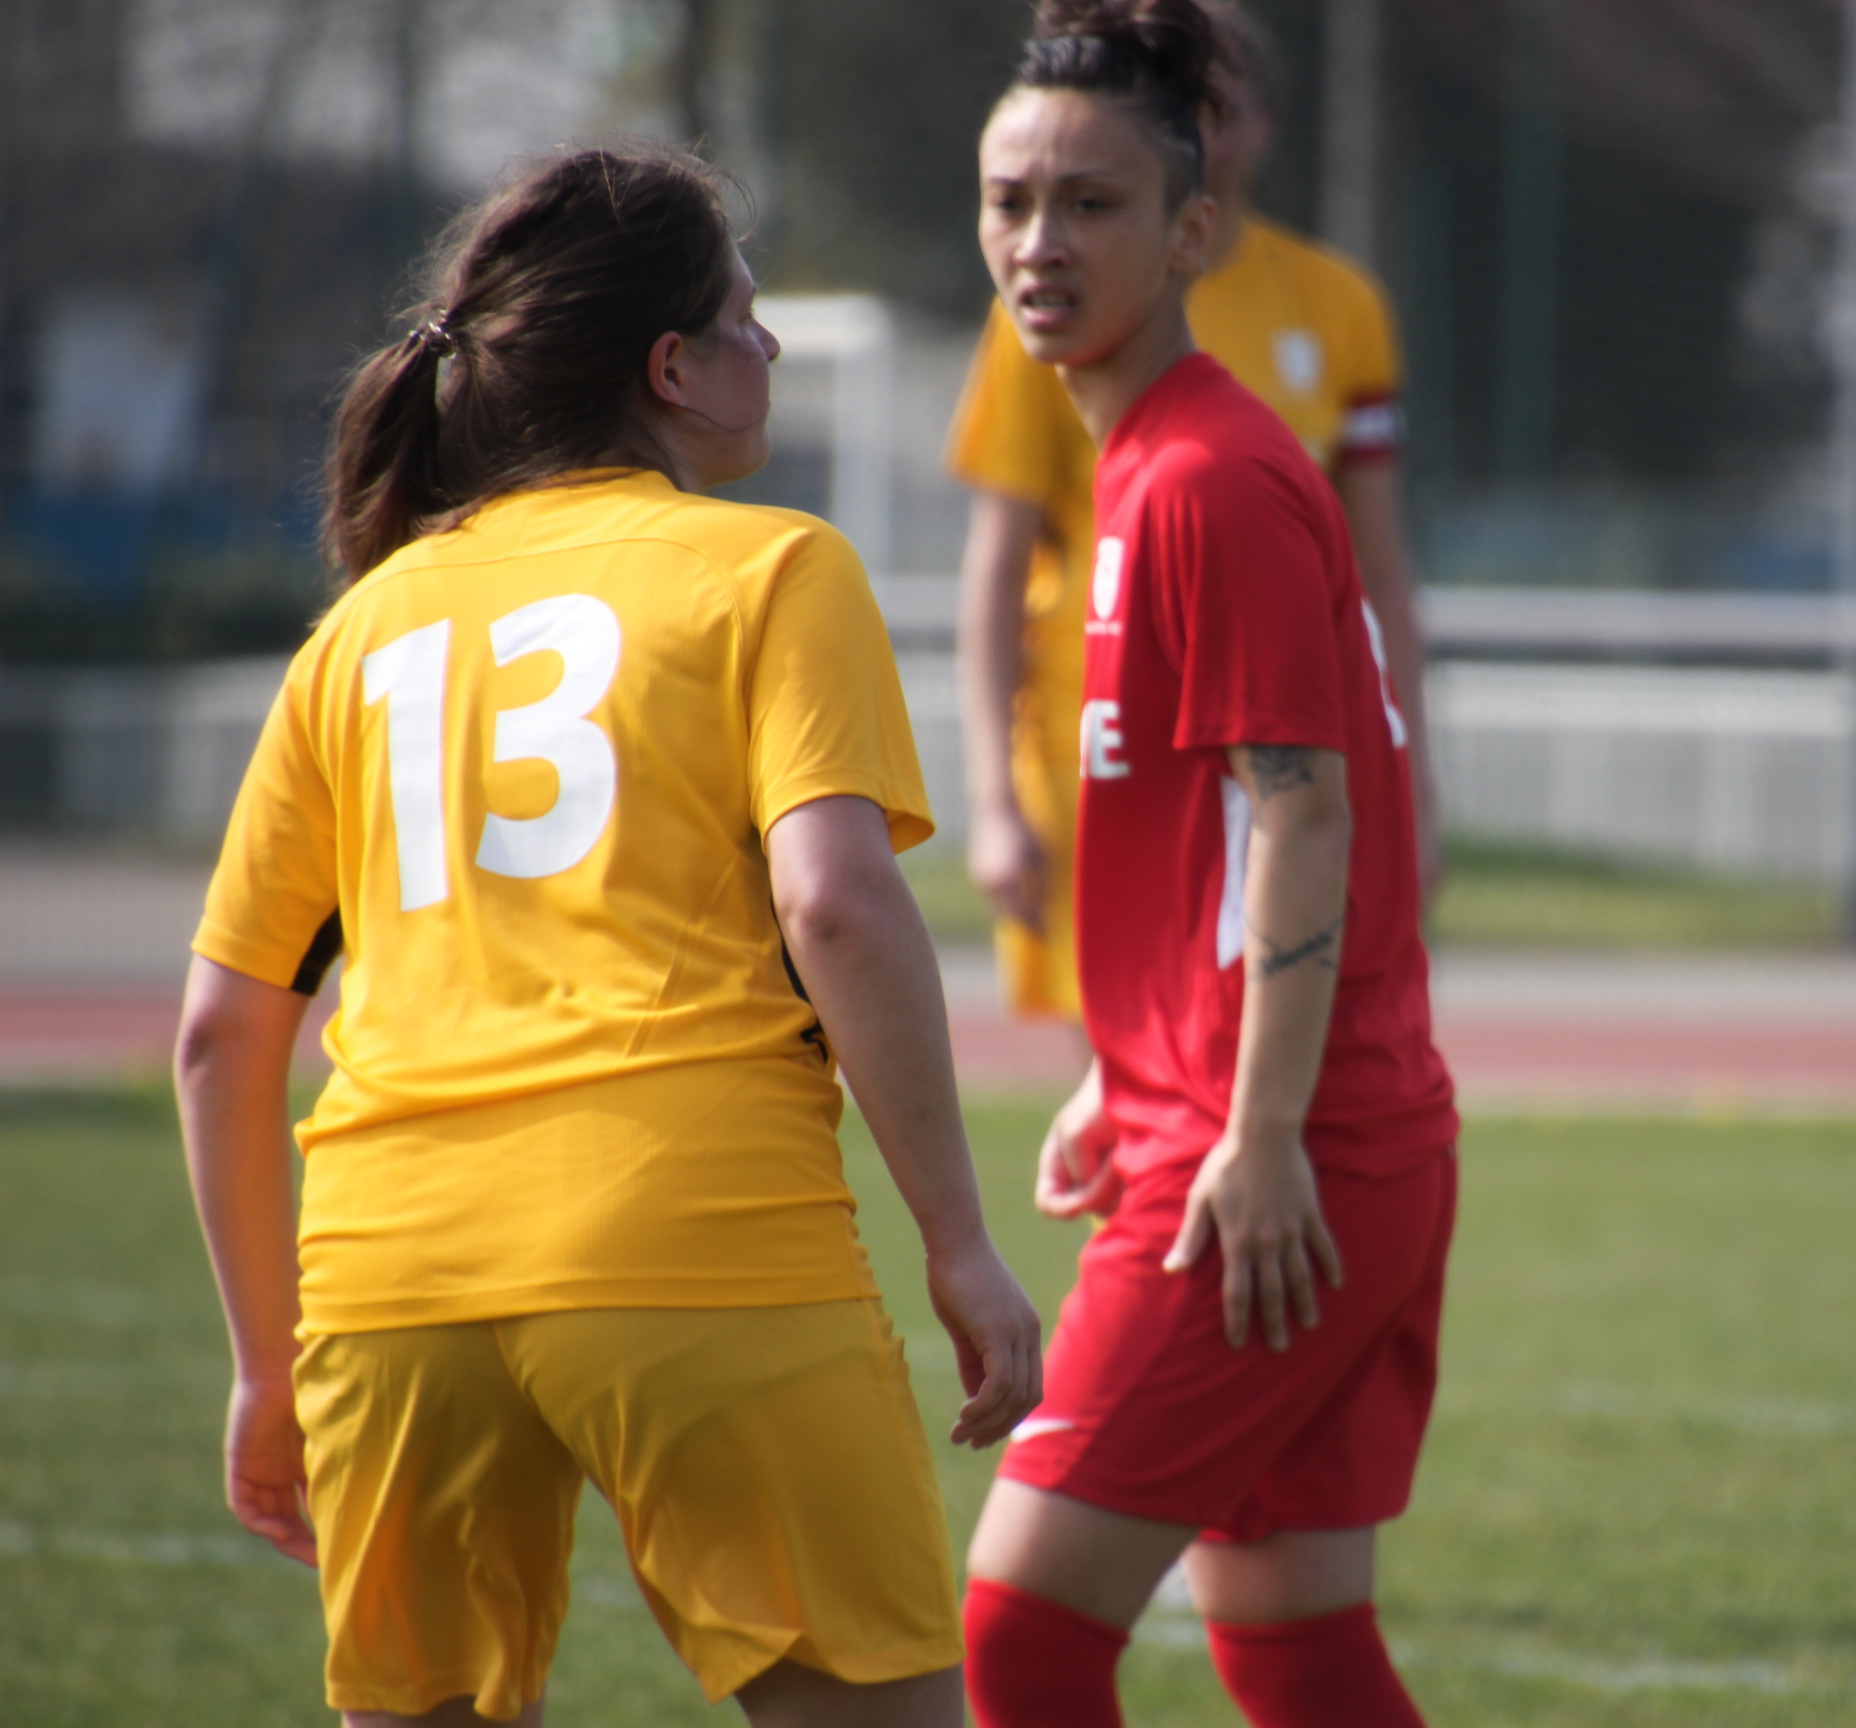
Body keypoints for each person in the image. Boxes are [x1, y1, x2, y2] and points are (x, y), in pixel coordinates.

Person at [173, 144, 1041, 1728]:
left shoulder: (357, 630)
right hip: (696, 1233)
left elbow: (222, 1033)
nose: (766, 347)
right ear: (671, 368)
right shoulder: (775, 566)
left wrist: (262, 1363)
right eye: (744, 316)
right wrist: (961, 1244)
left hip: (392, 1277)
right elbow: (837, 904)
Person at [955, 6, 1458, 1726]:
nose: (1040, 241)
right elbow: (1225, 833)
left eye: (1091, 204)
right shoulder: (1146, 461)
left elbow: (1304, 813)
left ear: (1189, 233)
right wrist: (1129, 1062)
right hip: (1279, 1129)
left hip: (1276, 1160)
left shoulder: (1203, 479)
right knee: (1294, 1645)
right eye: (1010, 199)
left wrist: (1252, 1130)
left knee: (1022, 1632)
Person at [948, 0, 1439, 1033]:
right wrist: (993, 799)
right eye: (1008, 202)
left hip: (1271, 747)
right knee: (1131, 1081)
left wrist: (1414, 783)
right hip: (1100, 744)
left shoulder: (1310, 335)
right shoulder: (1044, 311)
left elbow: (1380, 568)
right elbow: (996, 566)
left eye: (1223, 102)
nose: (1041, 241)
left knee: (1257, 1055)